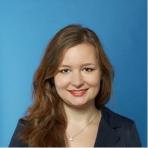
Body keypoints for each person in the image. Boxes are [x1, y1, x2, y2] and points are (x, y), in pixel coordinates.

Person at [9, 24, 141, 147]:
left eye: (87, 69)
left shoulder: (125, 130)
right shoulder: (27, 130)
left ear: (102, 72)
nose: (77, 82)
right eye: (65, 70)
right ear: (51, 77)